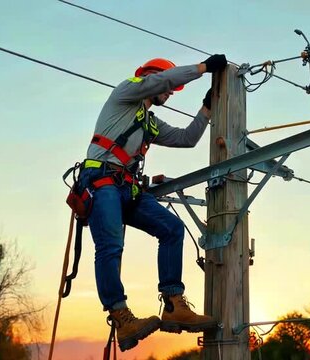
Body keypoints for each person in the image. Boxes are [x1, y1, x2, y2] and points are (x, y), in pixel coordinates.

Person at [76, 54, 228, 351]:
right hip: (101, 180)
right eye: (168, 87)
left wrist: (206, 109)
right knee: (110, 245)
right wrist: (202, 69)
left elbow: (187, 138)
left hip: (126, 188)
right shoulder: (127, 91)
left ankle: (174, 305)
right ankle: (121, 317)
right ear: (150, 77)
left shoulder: (151, 122)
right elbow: (162, 81)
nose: (171, 93)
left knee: (171, 228)